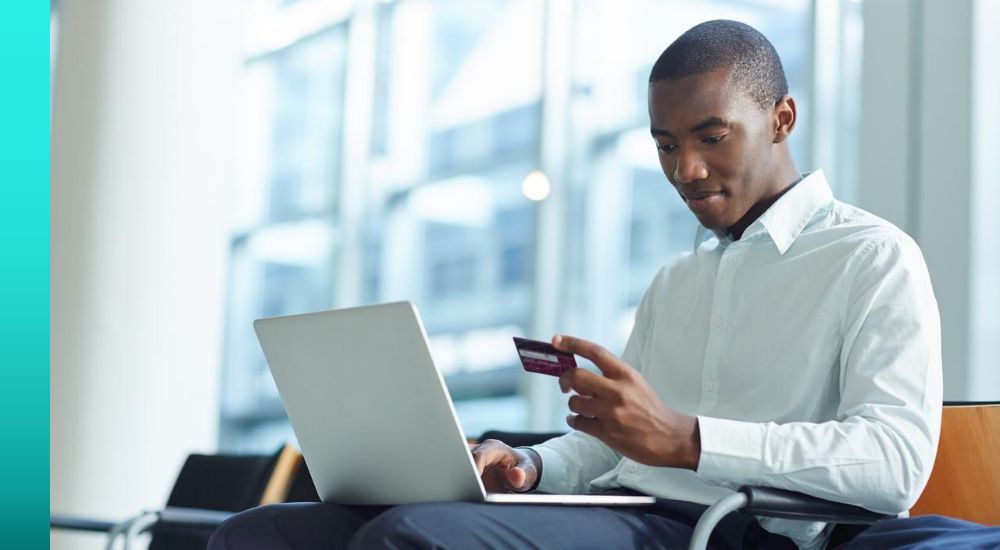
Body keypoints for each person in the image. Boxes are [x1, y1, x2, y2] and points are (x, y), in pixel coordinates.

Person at [209, 19, 941, 550]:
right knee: (261, 533)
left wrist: (687, 441)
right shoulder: (677, 280)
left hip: (735, 531)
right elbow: (610, 451)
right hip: (628, 510)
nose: (684, 169)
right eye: (664, 144)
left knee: (414, 538)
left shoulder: (873, 258)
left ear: (782, 119)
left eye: (710, 137)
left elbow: (894, 465)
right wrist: (531, 463)